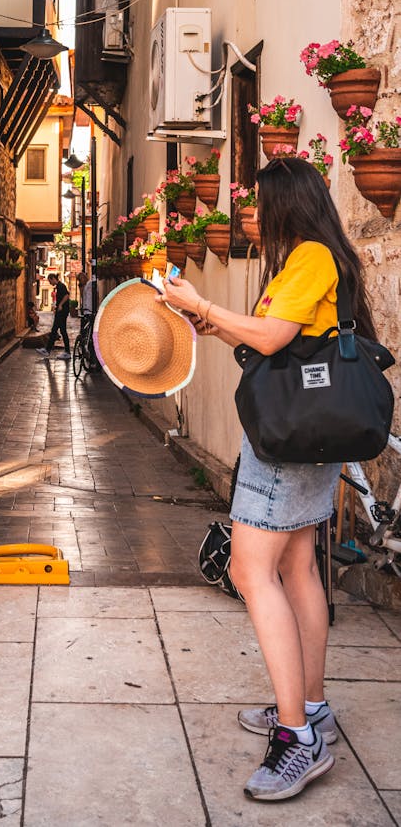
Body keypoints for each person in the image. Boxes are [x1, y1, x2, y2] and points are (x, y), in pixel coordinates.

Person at [162, 156, 377, 802]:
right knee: (299, 568)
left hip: (284, 441)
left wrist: (202, 304)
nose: (251, 214)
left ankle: (296, 739)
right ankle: (310, 708)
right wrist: (215, 319)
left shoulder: (309, 256)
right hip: (309, 432)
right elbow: (268, 337)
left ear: (286, 204)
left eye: (257, 203)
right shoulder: (311, 257)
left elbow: (277, 337)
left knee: (253, 571)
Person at [36, 272, 70, 360]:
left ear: (52, 278)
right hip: (60, 312)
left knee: (62, 331)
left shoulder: (61, 286)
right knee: (55, 330)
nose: (50, 283)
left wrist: (60, 305)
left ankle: (67, 352)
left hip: (62, 312)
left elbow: (66, 295)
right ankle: (47, 350)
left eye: (50, 281)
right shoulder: (58, 287)